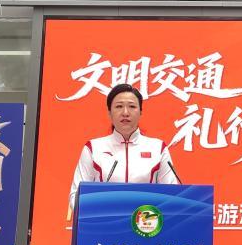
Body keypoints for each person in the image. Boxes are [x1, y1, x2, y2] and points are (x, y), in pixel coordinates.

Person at [68, 83, 178, 211]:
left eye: (132, 106)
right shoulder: (93, 148)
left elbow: (173, 195)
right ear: (109, 112)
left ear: (141, 112)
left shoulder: (158, 148)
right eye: (119, 106)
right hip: (106, 220)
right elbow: (76, 196)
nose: (125, 112)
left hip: (146, 220)